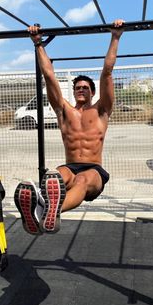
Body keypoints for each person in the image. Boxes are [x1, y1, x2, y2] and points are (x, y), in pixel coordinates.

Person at [14, 19, 125, 235]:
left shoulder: (101, 111)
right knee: (55, 175)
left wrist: (115, 37)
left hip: (94, 171)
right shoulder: (64, 111)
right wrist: (38, 43)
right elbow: (49, 75)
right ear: (73, 92)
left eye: (85, 87)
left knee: (82, 180)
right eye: (78, 87)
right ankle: (41, 205)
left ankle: (46, 210)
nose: (81, 89)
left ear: (93, 92)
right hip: (71, 165)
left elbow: (107, 72)